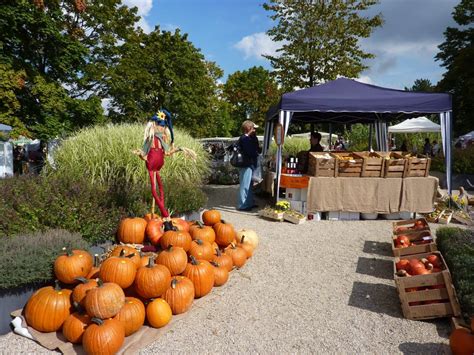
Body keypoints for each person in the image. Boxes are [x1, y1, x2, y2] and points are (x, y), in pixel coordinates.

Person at [134, 110, 193, 231]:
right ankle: (165, 215)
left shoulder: (162, 139)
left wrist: (180, 149)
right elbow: (144, 153)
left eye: (163, 126)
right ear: (153, 125)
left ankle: (164, 215)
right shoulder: (150, 139)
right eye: (159, 125)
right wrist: (140, 154)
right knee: (154, 190)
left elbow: (167, 153)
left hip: (158, 166)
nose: (161, 128)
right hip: (151, 166)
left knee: (161, 189)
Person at [237, 120, 260, 211]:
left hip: (250, 164)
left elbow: (257, 148)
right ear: (249, 128)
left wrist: (253, 136)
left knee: (250, 185)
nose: (255, 130)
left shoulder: (250, 138)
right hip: (246, 165)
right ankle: (242, 205)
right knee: (244, 185)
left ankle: (249, 203)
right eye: (253, 128)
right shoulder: (243, 138)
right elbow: (250, 151)